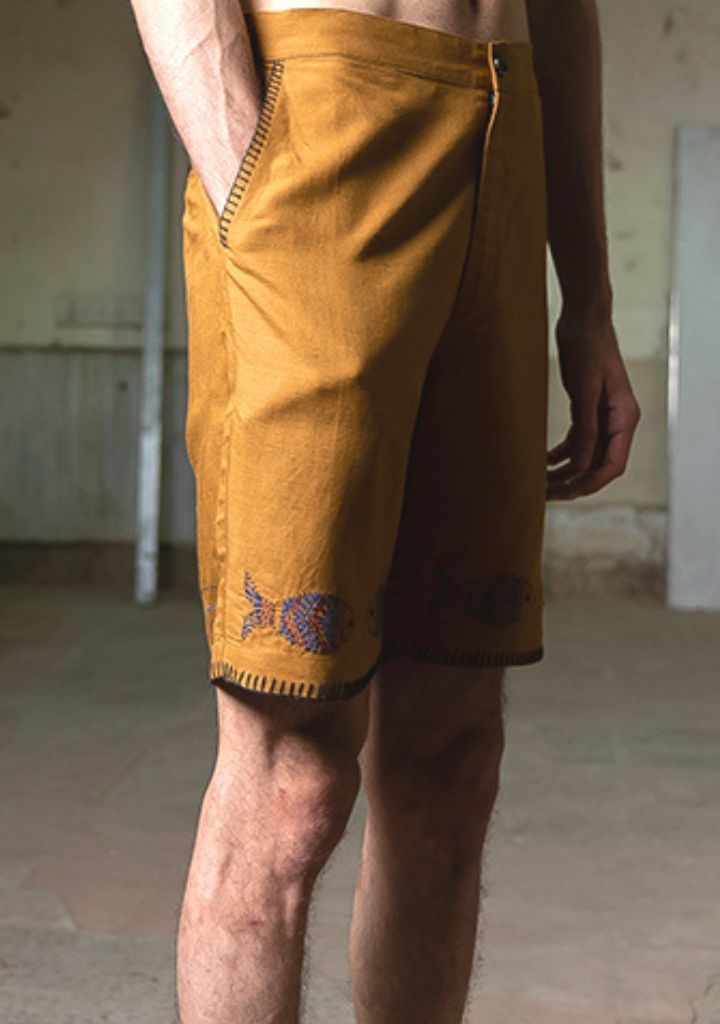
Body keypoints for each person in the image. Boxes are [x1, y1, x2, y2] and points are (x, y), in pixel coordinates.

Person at [129, 1, 641, 1021]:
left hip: (505, 129)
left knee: (454, 752)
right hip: (318, 117)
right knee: (292, 775)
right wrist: (250, 186)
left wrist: (587, 295)